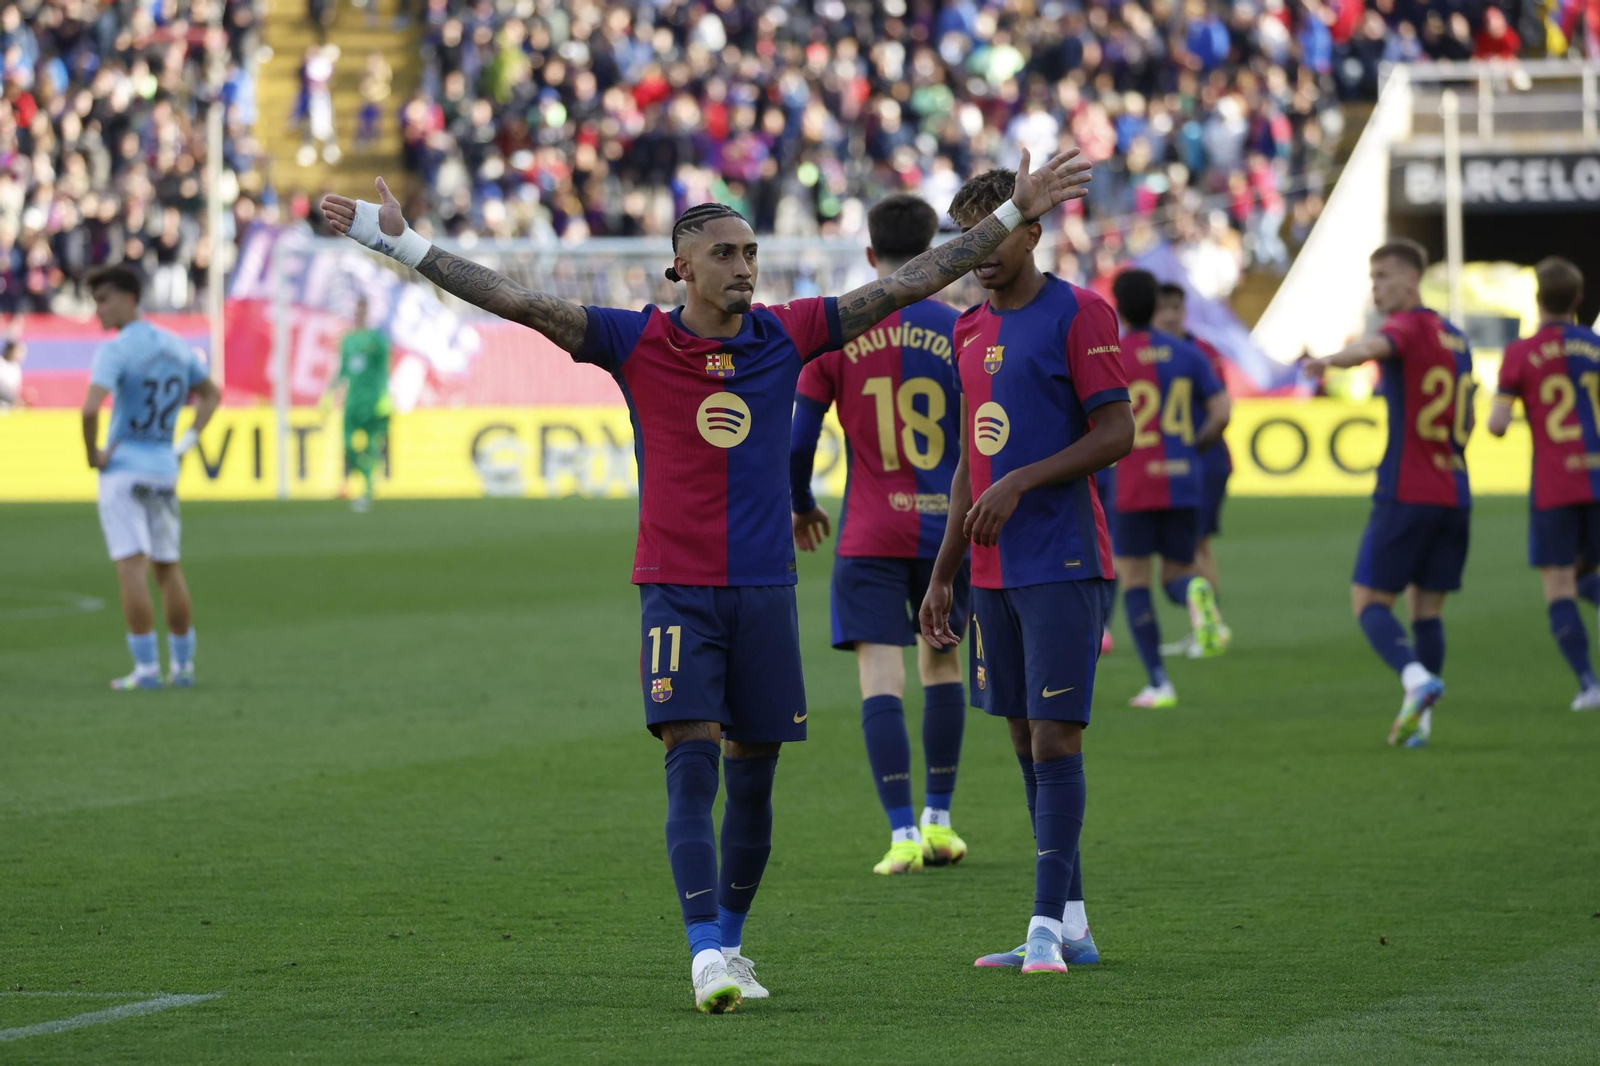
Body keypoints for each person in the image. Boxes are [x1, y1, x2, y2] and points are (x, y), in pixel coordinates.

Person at [321, 151, 1092, 1012]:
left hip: (765, 593)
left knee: (755, 781)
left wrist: (1003, 217)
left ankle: (728, 944)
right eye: (725, 254)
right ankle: (701, 955)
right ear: (680, 266)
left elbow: (911, 281)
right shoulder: (633, 340)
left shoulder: (789, 332)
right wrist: (404, 246)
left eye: (751, 252)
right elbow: (518, 301)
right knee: (691, 767)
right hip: (678, 592)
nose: (744, 268)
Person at [919, 168, 1133, 976]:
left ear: (1032, 233)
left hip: (1065, 560)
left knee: (1054, 735)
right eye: (965, 236)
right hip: (991, 572)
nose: (977, 251)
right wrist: (944, 574)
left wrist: (1023, 480)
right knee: (1020, 734)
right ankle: (1070, 923)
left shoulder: (1080, 313)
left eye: (993, 232)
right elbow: (972, 465)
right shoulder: (966, 333)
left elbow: (1116, 432)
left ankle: (1044, 926)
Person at [789, 194, 969, 876]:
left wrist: (802, 502)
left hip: (868, 530)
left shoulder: (834, 332)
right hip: (946, 533)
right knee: (943, 661)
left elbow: (798, 439)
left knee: (880, 677)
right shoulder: (959, 329)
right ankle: (941, 821)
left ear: (870, 255)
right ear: (935, 251)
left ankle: (899, 833)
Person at [1304, 239, 1474, 747]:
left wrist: (1331, 360)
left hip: (1408, 489)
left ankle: (1415, 678)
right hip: (1456, 491)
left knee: (1369, 601)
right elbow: (1467, 417)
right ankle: (1421, 720)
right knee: (1427, 610)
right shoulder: (1457, 338)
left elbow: (1371, 350)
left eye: (1382, 276)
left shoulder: (1404, 327)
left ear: (1411, 278)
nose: (1375, 286)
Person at [79, 265, 221, 690]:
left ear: (128, 297)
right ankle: (183, 668)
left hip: (124, 470)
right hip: (163, 467)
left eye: (103, 300)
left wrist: (93, 456)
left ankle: (144, 670)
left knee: (131, 568)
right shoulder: (176, 347)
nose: (98, 311)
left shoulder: (117, 349)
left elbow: (89, 410)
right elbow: (212, 393)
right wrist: (187, 440)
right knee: (168, 568)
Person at [1111, 270, 1231, 709]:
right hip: (1182, 480)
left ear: (1119, 308)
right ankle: (1194, 592)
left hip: (1132, 483)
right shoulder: (1189, 353)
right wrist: (1193, 448)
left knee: (1136, 581)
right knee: (1176, 574)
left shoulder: (1113, 355)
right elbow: (1221, 412)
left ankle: (1159, 682)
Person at [1488, 256, 1600, 711]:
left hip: (1555, 484)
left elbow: (1496, 424)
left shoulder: (1520, 353)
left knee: (1558, 585)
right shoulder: (1595, 345)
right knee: (1587, 572)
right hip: (1598, 478)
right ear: (1577, 298)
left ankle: (1590, 685)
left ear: (1537, 297)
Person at [1152, 282, 1234, 657]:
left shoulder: (1200, 352)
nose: (1170, 315)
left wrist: (1191, 448)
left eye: (1176, 308)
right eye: (1163, 308)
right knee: (1190, 547)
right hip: (1178, 466)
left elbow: (1220, 409)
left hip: (1204, 462)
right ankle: (1202, 627)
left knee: (1197, 545)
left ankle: (1211, 629)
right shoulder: (1150, 351)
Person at [327, 296, 392, 511]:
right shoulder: (348, 340)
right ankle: (366, 477)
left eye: (363, 310)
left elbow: (383, 371)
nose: (360, 314)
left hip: (373, 400)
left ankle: (368, 488)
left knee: (373, 445)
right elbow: (343, 370)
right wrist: (329, 393)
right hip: (353, 401)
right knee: (348, 444)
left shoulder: (378, 340)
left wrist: (385, 396)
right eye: (358, 310)